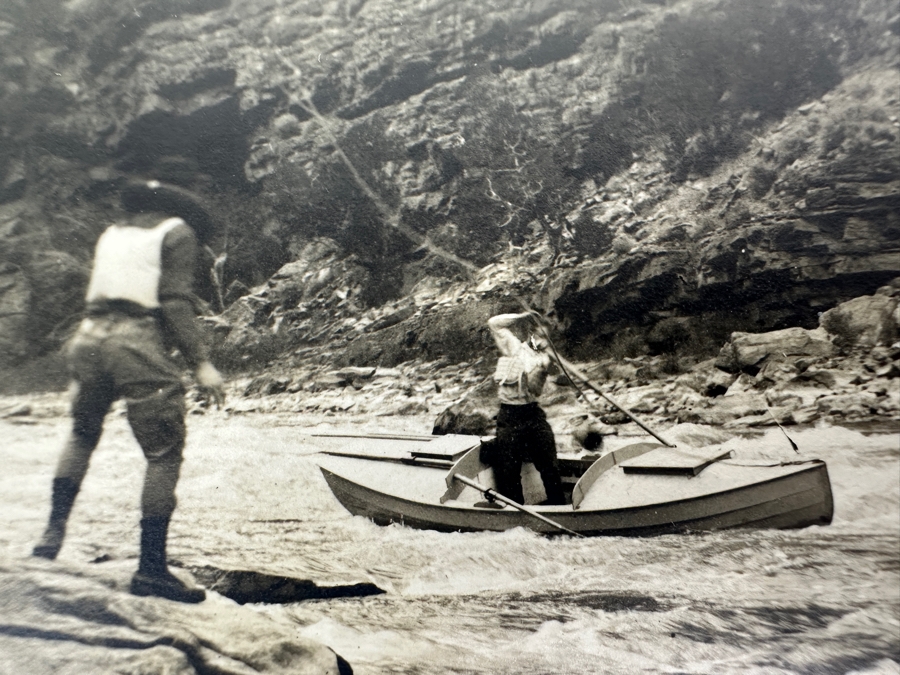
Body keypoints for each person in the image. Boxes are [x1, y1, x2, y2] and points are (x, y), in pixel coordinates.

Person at [32, 179, 226, 604]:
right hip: (134, 340)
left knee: (82, 435)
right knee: (162, 453)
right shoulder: (177, 232)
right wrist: (202, 364)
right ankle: (152, 571)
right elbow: (173, 302)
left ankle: (50, 537)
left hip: (88, 337)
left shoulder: (113, 233)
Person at [481, 311, 565, 506]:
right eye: (539, 336)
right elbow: (494, 323)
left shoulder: (545, 359)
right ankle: (516, 511)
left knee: (550, 465)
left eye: (545, 338)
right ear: (531, 334)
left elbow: (535, 388)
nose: (542, 341)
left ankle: (559, 507)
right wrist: (523, 315)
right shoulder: (513, 347)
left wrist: (545, 366)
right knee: (509, 470)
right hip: (509, 415)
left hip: (532, 414)